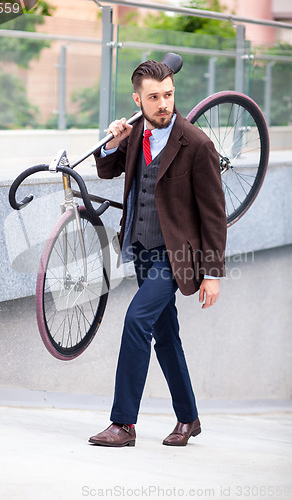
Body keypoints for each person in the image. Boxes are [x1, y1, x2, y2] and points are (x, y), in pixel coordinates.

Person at [89, 60, 227, 447]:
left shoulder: (197, 144)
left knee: (136, 320)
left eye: (168, 94)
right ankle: (189, 417)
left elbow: (215, 216)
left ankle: (123, 424)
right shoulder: (134, 136)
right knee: (166, 336)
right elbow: (107, 170)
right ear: (138, 99)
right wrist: (112, 142)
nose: (164, 103)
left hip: (177, 256)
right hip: (142, 247)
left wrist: (213, 273)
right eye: (154, 97)